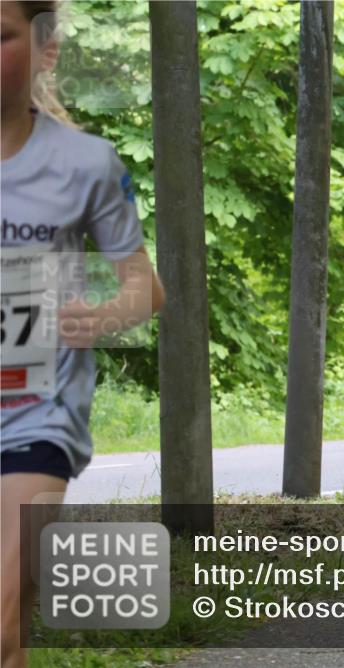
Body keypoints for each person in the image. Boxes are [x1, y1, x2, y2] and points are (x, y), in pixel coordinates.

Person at [1, 3, 165, 666]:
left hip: (37, 419)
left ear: (44, 50)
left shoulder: (87, 164)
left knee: (1, 620)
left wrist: (95, 319)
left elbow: (145, 286)